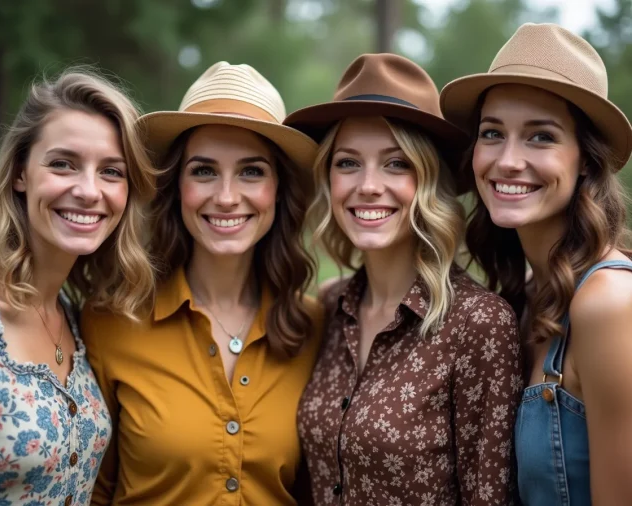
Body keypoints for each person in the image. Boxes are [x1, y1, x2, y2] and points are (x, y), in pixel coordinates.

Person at [284, 53, 523, 505]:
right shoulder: (330, 307)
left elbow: (488, 495)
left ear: (429, 182)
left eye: (396, 164)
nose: (368, 185)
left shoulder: (479, 324)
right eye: (348, 163)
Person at [81, 62, 323, 505]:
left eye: (251, 171)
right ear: (176, 187)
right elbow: (94, 489)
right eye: (204, 171)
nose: (227, 196)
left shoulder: (315, 326)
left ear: (279, 190)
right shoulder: (110, 322)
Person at [440, 23, 632, 505]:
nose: (507, 160)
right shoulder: (523, 296)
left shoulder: (608, 305)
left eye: (540, 137)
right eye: (492, 133)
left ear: (586, 160)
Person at [0, 68, 156, 505]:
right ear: (21, 173)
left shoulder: (75, 316)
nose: (88, 190)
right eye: (63, 164)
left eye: (112, 172)